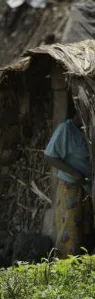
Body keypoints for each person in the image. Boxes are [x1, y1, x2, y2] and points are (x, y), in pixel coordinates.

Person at [44, 106, 91, 257]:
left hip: (88, 187)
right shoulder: (66, 129)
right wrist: (73, 172)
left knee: (85, 227)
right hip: (70, 186)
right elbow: (50, 155)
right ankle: (65, 266)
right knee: (70, 229)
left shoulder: (87, 131)